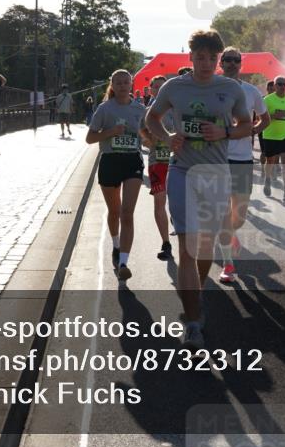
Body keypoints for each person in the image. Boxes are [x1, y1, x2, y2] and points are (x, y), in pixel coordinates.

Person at [145, 29, 252, 351]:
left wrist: (225, 131)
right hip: (183, 172)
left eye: (212, 58)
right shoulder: (174, 87)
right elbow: (152, 119)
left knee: (205, 246)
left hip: (216, 174)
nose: (206, 63)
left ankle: (197, 294)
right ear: (191, 57)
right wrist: (166, 138)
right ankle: (193, 325)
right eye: (200, 57)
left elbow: (247, 125)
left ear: (219, 60)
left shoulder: (230, 88)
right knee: (188, 248)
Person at [218, 47, 270, 283]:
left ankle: (231, 234)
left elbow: (265, 119)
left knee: (240, 214)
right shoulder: (211, 88)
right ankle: (228, 264)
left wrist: (251, 131)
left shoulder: (250, 91)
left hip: (242, 159)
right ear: (221, 62)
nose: (230, 63)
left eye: (235, 60)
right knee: (223, 212)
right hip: (217, 157)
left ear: (241, 64)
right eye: (226, 60)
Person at [87, 69, 146, 280]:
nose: (122, 86)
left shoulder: (140, 108)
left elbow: (147, 134)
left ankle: (123, 263)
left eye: (126, 82)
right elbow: (90, 138)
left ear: (132, 84)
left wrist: (154, 140)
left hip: (132, 161)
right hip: (110, 161)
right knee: (114, 210)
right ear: (112, 85)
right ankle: (115, 244)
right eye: (118, 83)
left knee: (127, 212)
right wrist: (111, 132)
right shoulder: (105, 109)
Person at [139, 75, 174, 261]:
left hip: (178, 163)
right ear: (151, 90)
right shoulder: (147, 112)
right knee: (160, 202)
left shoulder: (177, 110)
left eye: (164, 87)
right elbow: (142, 133)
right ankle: (166, 243)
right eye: (157, 87)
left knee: (178, 203)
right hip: (157, 162)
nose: (160, 90)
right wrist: (149, 140)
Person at [262, 75, 285, 201]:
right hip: (270, 135)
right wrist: (273, 115)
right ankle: (267, 179)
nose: (282, 86)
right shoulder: (267, 99)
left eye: (284, 84)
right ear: (275, 86)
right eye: (280, 84)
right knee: (270, 160)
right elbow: (262, 118)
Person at [258, 80, 273, 180]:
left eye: (274, 88)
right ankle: (263, 170)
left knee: (272, 153)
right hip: (263, 128)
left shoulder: (281, 100)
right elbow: (259, 115)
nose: (272, 90)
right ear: (267, 89)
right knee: (264, 152)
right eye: (270, 88)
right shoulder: (262, 99)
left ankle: (269, 172)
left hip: (275, 130)